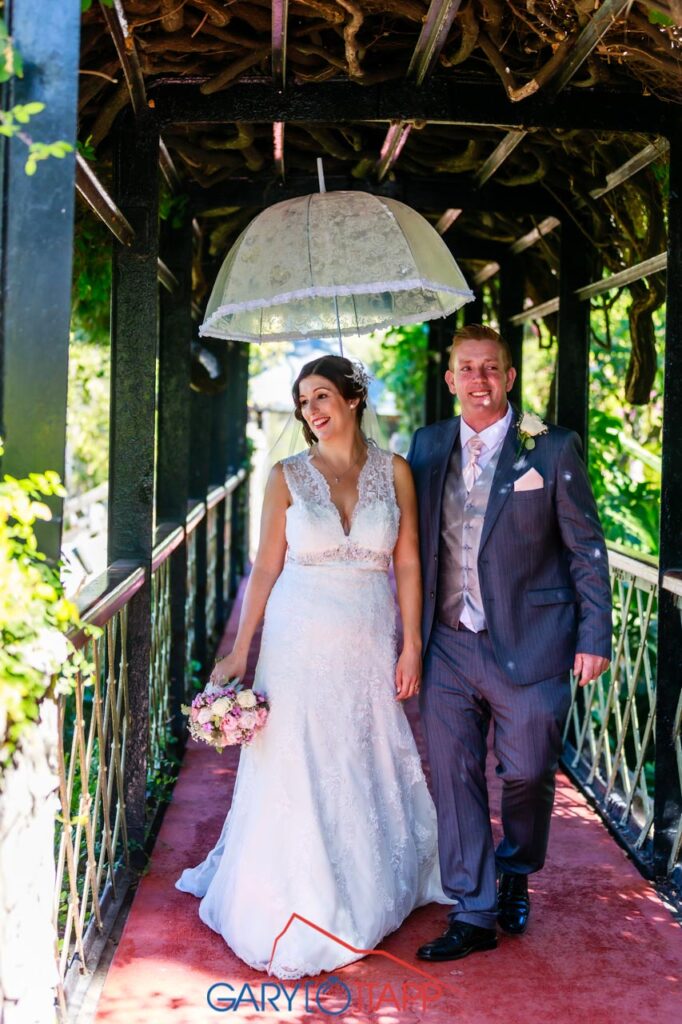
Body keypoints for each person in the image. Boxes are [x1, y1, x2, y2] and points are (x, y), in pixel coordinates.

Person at [176, 354, 451, 979]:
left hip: (368, 637)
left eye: (322, 397)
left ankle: (372, 880)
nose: (312, 411)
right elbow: (266, 567)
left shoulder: (396, 471)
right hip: (297, 640)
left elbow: (407, 563)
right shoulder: (286, 476)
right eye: (304, 402)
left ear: (354, 398)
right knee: (299, 758)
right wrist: (241, 648)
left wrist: (411, 644)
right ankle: (299, 896)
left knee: (362, 750)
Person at [408, 324, 612, 962]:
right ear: (450, 380)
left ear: (510, 378)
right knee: (453, 774)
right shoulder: (426, 444)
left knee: (527, 773)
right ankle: (473, 909)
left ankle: (515, 867)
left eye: (490, 368)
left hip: (533, 642)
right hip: (446, 640)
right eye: (466, 369)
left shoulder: (551, 449)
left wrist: (594, 633)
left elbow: (586, 547)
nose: (478, 379)